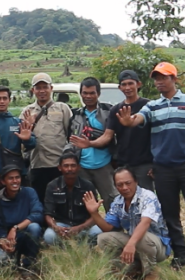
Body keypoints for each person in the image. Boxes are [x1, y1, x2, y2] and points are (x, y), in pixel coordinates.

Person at [116, 62, 185, 269]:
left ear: (174, 79)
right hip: (163, 169)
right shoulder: (152, 106)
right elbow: (137, 119)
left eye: (164, 77)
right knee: (170, 214)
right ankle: (181, 256)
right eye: (156, 78)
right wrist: (128, 121)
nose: (159, 82)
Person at [84, 167, 170, 280]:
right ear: (115, 186)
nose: (124, 188)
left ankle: (150, 271)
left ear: (136, 181)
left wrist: (130, 244)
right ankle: (127, 269)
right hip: (135, 244)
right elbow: (107, 228)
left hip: (157, 247)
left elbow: (145, 223)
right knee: (103, 238)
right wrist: (94, 213)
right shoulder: (118, 202)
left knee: (141, 237)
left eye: (128, 183)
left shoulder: (148, 196)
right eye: (120, 185)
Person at [69, 70, 154, 190]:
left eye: (130, 83)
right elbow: (107, 136)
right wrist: (90, 143)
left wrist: (156, 163)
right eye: (124, 84)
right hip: (123, 163)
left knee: (146, 199)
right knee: (125, 200)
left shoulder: (149, 106)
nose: (127, 87)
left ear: (138, 84)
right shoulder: (115, 110)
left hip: (144, 164)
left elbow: (158, 135)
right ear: (120, 88)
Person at [67, 77, 118, 211]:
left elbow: (110, 137)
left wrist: (89, 143)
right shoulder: (75, 115)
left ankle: (115, 229)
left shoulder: (108, 112)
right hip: (83, 167)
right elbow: (69, 139)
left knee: (111, 199)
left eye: (92, 93)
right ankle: (89, 230)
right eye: (85, 93)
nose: (88, 96)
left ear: (98, 94)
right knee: (85, 201)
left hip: (104, 166)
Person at [21, 73, 72, 204]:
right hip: (37, 164)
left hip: (58, 164)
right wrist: (30, 125)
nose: (42, 91)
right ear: (33, 90)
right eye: (38, 88)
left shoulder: (62, 108)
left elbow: (70, 135)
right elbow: (22, 140)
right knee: (40, 199)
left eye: (45, 87)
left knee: (61, 199)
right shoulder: (27, 111)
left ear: (51, 88)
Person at [0, 86, 35, 188]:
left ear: (9, 100)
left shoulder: (18, 123)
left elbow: (32, 144)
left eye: (5, 98)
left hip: (16, 175)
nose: (2, 101)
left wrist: (27, 139)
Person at [43, 153, 102, 246]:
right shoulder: (52, 186)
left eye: (73, 165)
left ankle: (78, 246)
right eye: (66, 166)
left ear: (78, 167)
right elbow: (48, 214)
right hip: (62, 226)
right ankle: (72, 246)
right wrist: (56, 227)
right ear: (59, 168)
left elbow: (94, 216)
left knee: (98, 232)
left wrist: (79, 228)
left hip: (83, 226)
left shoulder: (87, 186)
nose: (69, 169)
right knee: (49, 237)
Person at [0, 165, 43, 269]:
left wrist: (15, 228)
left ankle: (29, 264)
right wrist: (3, 241)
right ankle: (13, 262)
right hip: (9, 239)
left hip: (26, 234)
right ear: (3, 181)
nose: (15, 181)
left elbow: (38, 214)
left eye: (17, 177)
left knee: (34, 227)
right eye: (10, 178)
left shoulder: (29, 192)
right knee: (1, 262)